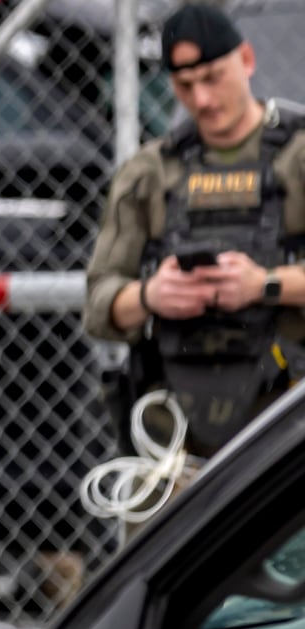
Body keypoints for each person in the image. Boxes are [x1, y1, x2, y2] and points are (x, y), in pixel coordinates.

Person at [85, 3, 305, 524]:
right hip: (174, 434)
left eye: (212, 77)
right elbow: (98, 304)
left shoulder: (297, 159)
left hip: (287, 424)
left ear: (246, 60)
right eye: (185, 85)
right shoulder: (149, 173)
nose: (202, 100)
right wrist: (149, 297)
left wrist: (264, 285)